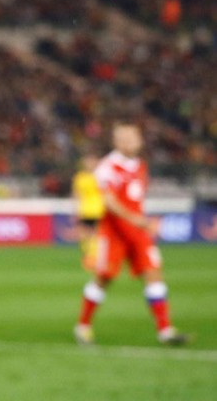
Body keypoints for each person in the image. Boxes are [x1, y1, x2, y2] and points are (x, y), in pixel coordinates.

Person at [73, 122, 189, 346]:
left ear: (140, 140)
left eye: (132, 137)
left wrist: (140, 221)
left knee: (153, 274)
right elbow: (109, 200)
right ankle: (83, 326)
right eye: (123, 138)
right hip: (114, 232)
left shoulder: (140, 166)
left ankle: (165, 331)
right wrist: (136, 219)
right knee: (103, 278)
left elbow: (136, 199)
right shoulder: (107, 166)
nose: (129, 142)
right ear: (116, 142)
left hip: (138, 232)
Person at [71, 153, 105, 271]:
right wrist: (76, 210)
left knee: (97, 235)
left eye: (92, 160)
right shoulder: (80, 177)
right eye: (87, 161)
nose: (89, 163)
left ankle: (94, 258)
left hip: (99, 210)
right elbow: (77, 195)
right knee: (84, 235)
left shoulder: (101, 175)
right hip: (85, 210)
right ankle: (89, 257)